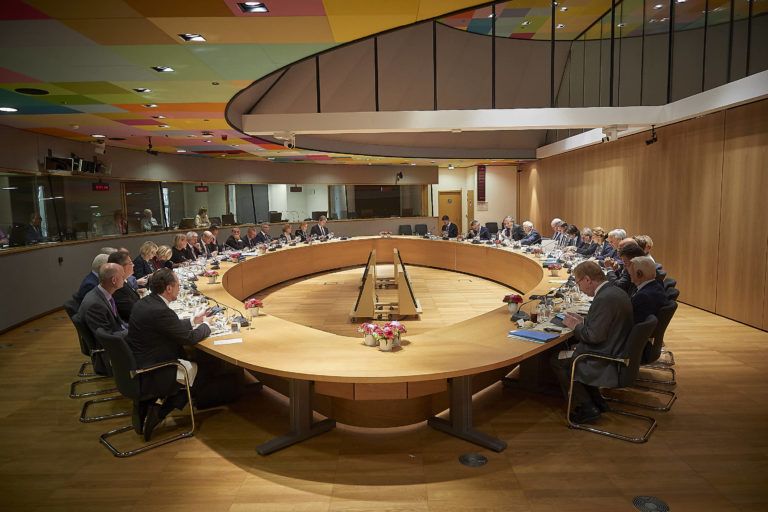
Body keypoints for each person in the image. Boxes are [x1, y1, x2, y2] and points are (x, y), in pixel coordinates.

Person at [125, 269, 211, 441]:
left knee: (195, 361)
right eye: (178, 285)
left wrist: (193, 321)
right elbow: (188, 338)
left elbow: (167, 326)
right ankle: (160, 411)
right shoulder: (160, 310)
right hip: (155, 368)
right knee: (204, 368)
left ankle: (154, 404)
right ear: (169, 288)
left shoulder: (146, 302)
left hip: (141, 361)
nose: (179, 288)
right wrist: (206, 326)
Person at [551, 261, 634, 424]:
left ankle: (586, 407)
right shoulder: (614, 291)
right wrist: (583, 321)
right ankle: (597, 401)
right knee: (568, 351)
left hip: (605, 356)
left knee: (556, 360)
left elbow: (594, 336)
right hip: (616, 347)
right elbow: (605, 324)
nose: (579, 287)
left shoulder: (605, 298)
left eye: (578, 282)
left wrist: (575, 326)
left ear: (587, 280)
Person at [77, 262, 128, 336]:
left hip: (118, 332)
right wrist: (134, 332)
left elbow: (119, 322)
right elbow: (108, 336)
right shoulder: (95, 305)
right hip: (113, 340)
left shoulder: (105, 293)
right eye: (122, 276)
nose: (125, 279)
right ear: (114, 280)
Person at [629, 256, 668, 324]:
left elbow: (630, 321)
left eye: (630, 272)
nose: (629, 274)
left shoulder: (643, 297)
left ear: (639, 274)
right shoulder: (657, 286)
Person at [109, 251, 141, 323]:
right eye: (131, 263)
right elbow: (131, 312)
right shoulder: (117, 286)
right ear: (121, 267)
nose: (133, 265)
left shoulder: (124, 281)